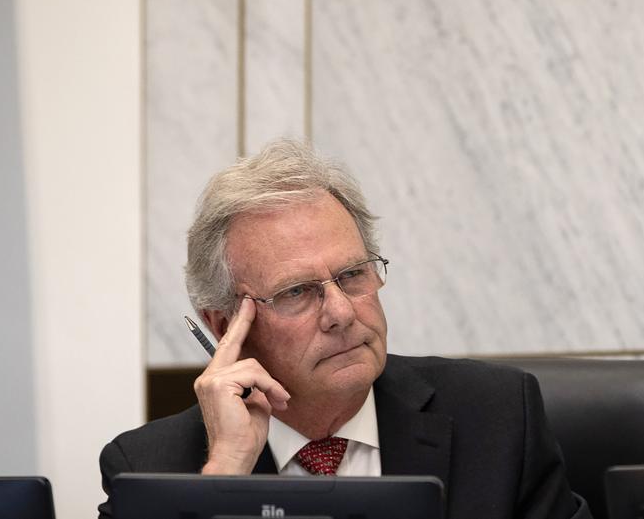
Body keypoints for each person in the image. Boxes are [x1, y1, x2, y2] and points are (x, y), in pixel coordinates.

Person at [98, 139, 590, 519]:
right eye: (297, 292)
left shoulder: (498, 417)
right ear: (226, 325)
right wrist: (225, 469)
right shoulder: (147, 468)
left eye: (353, 275)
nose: (341, 313)